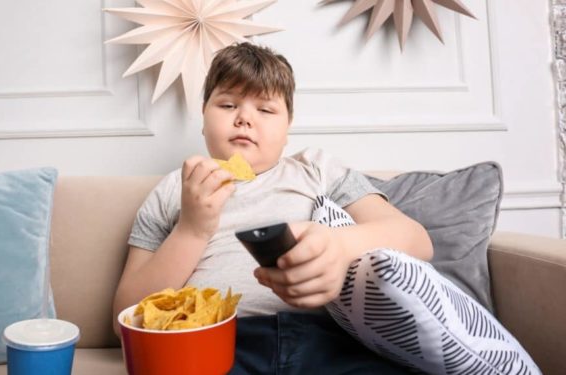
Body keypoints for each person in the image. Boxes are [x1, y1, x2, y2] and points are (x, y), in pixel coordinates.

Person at [112, 42, 434, 373]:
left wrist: (340, 244)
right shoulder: (172, 190)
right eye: (227, 104)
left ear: (287, 128)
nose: (244, 119)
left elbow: (417, 240)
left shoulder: (317, 169)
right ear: (204, 118)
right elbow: (125, 317)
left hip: (327, 340)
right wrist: (192, 229)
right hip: (214, 343)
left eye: (265, 110)